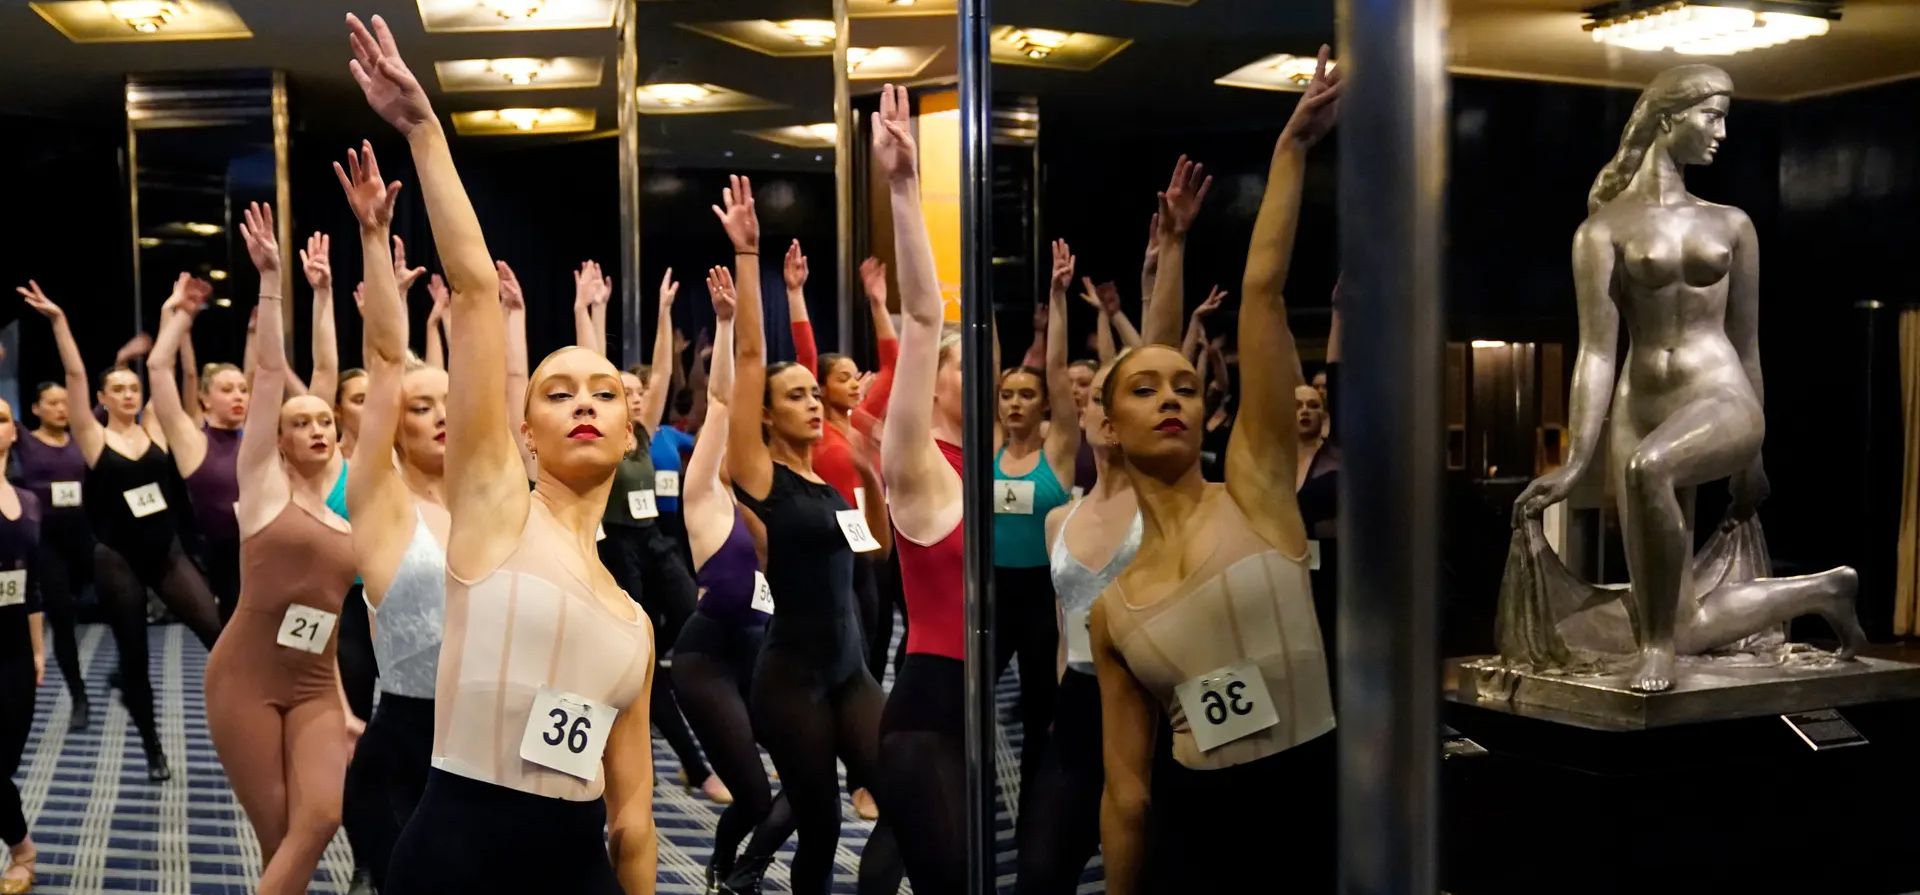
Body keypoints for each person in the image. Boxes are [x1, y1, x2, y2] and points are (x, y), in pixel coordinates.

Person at [343, 15, 656, 893]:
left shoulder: (635, 623)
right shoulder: (495, 516)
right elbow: (477, 291)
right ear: (524, 433)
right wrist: (423, 131)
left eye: (604, 393)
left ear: (630, 429)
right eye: (558, 392)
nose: (584, 402)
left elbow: (633, 821)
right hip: (455, 860)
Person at [1512, 63, 1864, 691]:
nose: (1722, 133)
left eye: (1724, 118)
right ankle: (1824, 591)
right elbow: (1596, 353)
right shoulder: (1602, 230)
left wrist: (1753, 457)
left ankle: (1656, 652)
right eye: (1712, 115)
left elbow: (1748, 343)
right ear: (1669, 116)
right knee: (1682, 621)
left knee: (1649, 469)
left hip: (1720, 395)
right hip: (1641, 406)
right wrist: (1575, 461)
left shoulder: (1731, 224)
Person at [1090, 47, 1342, 894]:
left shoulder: (1258, 490)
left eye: (1187, 387)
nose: (1171, 397)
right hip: (1200, 838)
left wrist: (1291, 149)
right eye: (1146, 389)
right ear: (1109, 427)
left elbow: (1262, 291)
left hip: (1317, 812)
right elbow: (1127, 794)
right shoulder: (1114, 610)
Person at [718, 172, 892, 895]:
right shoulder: (760, 475)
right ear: (766, 413)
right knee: (819, 827)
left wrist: (871, 471)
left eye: (816, 394)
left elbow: (875, 549)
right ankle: (749, 873)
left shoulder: (827, 483)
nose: (815, 403)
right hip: (791, 679)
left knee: (902, 798)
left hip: (851, 671)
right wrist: (749, 257)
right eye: (797, 396)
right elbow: (750, 360)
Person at [201, 201, 359, 895]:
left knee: (321, 816)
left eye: (326, 421)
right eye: (303, 423)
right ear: (281, 439)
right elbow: (271, 376)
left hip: (317, 680)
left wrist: (326, 295)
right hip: (246, 678)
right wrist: (271, 281)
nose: (318, 428)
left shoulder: (349, 494)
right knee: (278, 833)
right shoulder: (263, 485)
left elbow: (328, 371)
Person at [15, 279, 222, 782]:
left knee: (218, 636)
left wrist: (177, 316)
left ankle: (240, 725)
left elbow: (172, 372)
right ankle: (152, 747)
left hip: (167, 553)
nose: (129, 395)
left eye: (134, 388)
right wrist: (59, 321)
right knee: (135, 658)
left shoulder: (156, 426)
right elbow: (74, 373)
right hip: (117, 560)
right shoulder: (92, 436)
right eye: (120, 390)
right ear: (103, 399)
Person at [328, 140, 452, 889]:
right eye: (421, 406)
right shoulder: (381, 498)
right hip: (401, 754)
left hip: (484, 752)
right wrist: (373, 236)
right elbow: (382, 362)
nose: (441, 415)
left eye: (448, 403)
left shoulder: (489, 503)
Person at [868, 82, 968, 895]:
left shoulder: (989, 466)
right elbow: (925, 319)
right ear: (935, 382)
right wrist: (904, 188)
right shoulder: (918, 463)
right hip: (927, 710)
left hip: (975, 706)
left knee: (893, 864)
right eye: (965, 367)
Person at [581, 266, 728, 807]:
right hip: (614, 549)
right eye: (624, 392)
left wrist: (665, 313)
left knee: (702, 618)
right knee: (638, 662)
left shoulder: (643, 431)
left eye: (640, 392)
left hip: (655, 542)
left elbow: (664, 370)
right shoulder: (600, 435)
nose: (639, 397)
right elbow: (593, 368)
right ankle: (693, 764)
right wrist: (589, 311)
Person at [665, 266, 787, 891]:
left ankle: (738, 870)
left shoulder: (766, 504)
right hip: (706, 661)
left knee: (806, 782)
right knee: (757, 799)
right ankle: (726, 869)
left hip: (761, 656)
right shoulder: (706, 495)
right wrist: (727, 322)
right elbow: (718, 402)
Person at [784, 240, 899, 821]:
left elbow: (894, 364)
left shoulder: (864, 423)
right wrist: (796, 293)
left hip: (868, 548)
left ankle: (860, 773)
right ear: (821, 386)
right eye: (844, 377)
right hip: (823, 553)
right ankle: (815, 765)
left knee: (871, 655)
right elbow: (803, 357)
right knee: (829, 657)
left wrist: (878, 303)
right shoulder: (811, 429)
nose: (855, 384)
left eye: (858, 377)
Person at [1017, 356, 1140, 895]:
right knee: (1042, 869)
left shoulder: (1167, 510)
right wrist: (1064, 696)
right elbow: (1066, 627)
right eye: (1097, 399)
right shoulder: (1058, 521)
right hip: (1081, 700)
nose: (1107, 411)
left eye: (1125, 396)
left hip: (1151, 698)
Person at [991, 235, 1079, 813]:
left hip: (1044, 597)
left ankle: (1035, 812)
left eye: (1027, 394)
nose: (1016, 402)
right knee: (970, 698)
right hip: (994, 592)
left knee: (1041, 706)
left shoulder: (1060, 450)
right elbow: (986, 363)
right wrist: (983, 307)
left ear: (1045, 404)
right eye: (1007, 395)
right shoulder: (991, 448)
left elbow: (1057, 368)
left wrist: (1057, 295)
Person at [147, 258, 283, 621]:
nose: (238, 396)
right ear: (205, 399)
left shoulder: (254, 435)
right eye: (226, 390)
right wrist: (181, 317)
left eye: (241, 390)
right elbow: (158, 368)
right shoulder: (193, 441)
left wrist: (256, 332)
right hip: (224, 566)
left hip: (272, 557)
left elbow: (263, 372)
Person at [11, 382, 91, 730]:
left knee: (122, 606)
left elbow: (107, 406)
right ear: (35, 409)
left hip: (84, 539)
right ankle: (78, 696)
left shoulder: (81, 437)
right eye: (53, 403)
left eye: (65, 402)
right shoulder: (25, 440)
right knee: (62, 620)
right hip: (47, 544)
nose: (62, 409)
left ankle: (126, 674)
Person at [0, 398, 45, 894]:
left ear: (14, 432)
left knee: (4, 762)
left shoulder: (29, 502)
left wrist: (37, 650)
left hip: (14, 648)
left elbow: (30, 587)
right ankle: (22, 848)